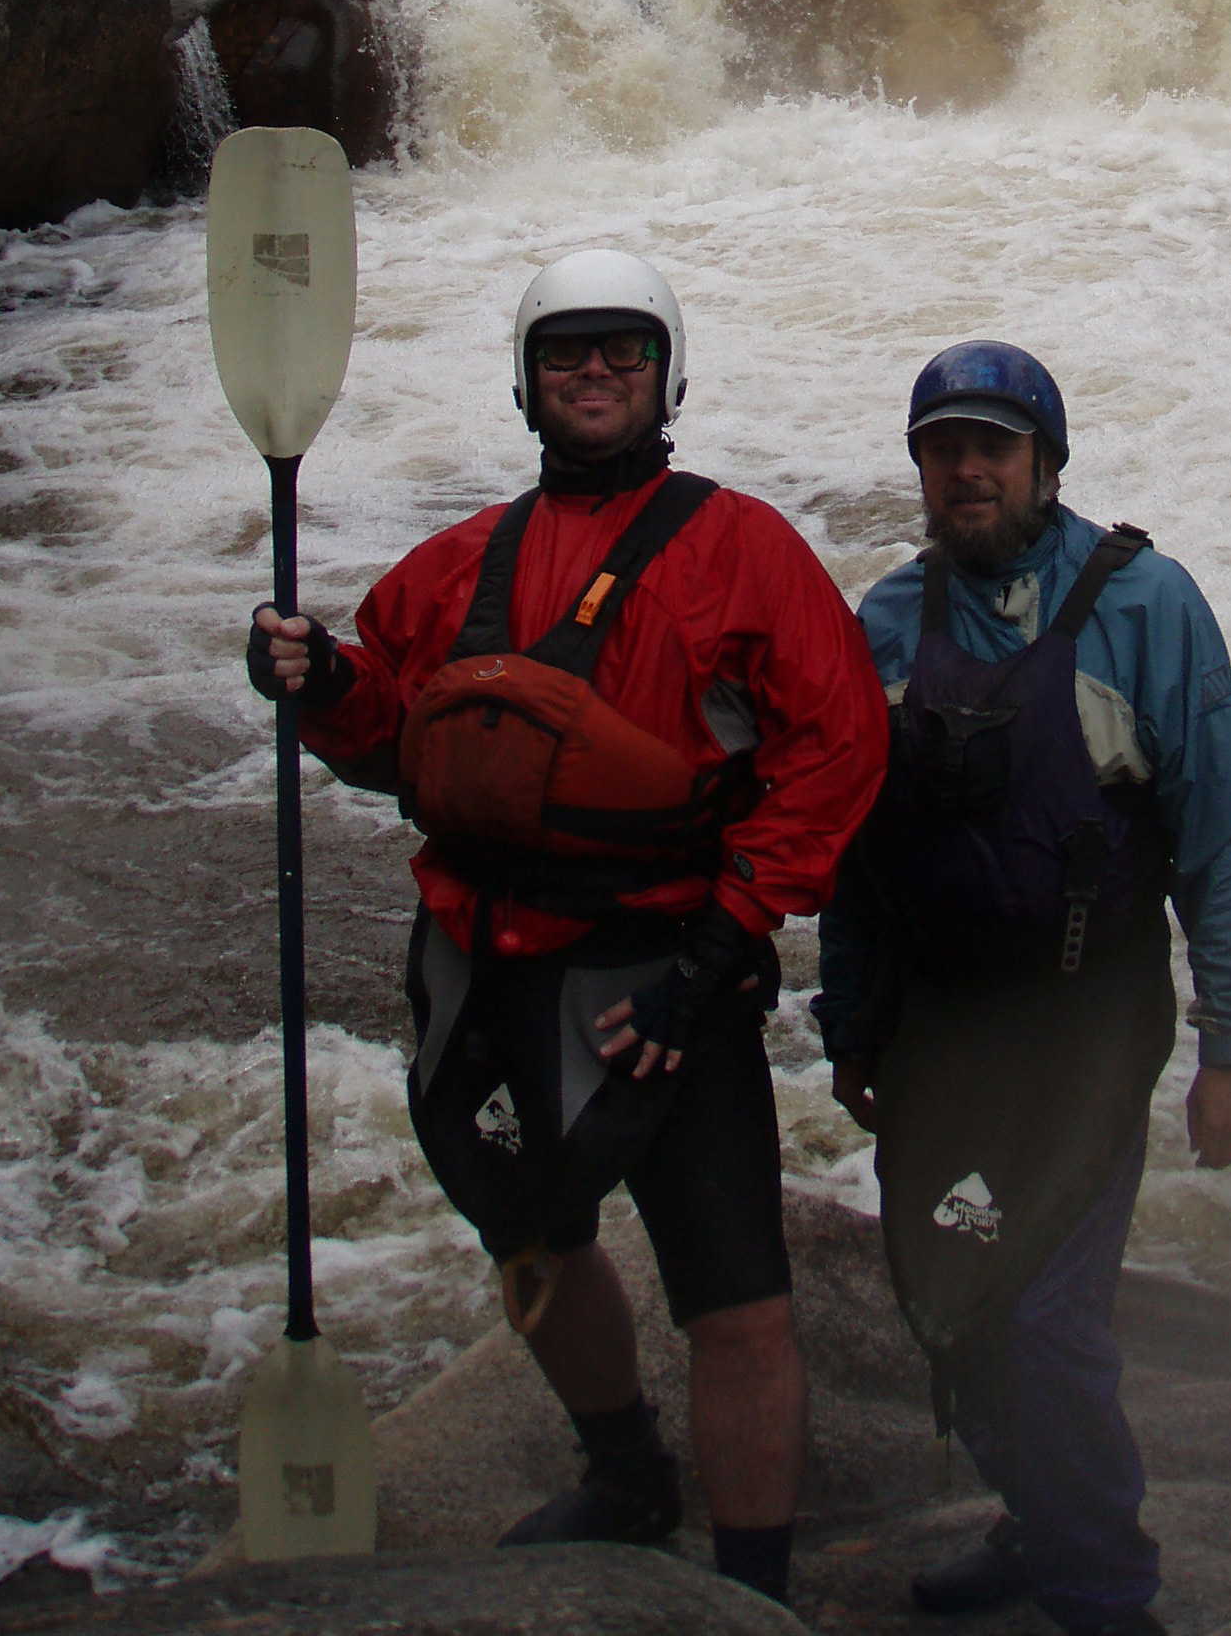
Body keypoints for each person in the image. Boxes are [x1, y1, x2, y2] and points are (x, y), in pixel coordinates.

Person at [249, 247, 889, 1614]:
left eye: (622, 351)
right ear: (527, 384)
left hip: (665, 980)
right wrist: (314, 680)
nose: (593, 373)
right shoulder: (456, 564)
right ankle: (624, 1471)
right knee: (531, 1241)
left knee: (737, 1298)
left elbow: (837, 751)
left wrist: (723, 945)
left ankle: (753, 1595)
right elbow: (391, 742)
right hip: (487, 973)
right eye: (565, 353)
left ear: (666, 375)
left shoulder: (744, 551)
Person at [815, 340, 1231, 1636]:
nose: (966, 469)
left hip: (1087, 1028)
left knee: (1052, 1327)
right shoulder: (889, 624)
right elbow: (857, 857)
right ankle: (1035, 1520)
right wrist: (850, 1025)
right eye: (943, 448)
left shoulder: (1148, 606)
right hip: (941, 1036)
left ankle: (1108, 1597)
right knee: (953, 1309)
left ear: (1046, 463)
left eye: (992, 446)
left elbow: (1219, 834)